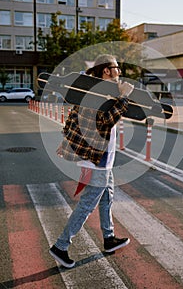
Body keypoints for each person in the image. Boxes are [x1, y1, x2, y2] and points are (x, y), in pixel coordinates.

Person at [49, 54, 134, 268]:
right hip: (97, 160)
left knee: (107, 198)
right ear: (107, 70)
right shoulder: (97, 92)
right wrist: (123, 98)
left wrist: (66, 141)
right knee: (88, 204)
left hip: (104, 159)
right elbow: (105, 122)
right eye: (116, 67)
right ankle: (61, 246)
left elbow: (84, 118)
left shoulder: (98, 90)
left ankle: (108, 238)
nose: (119, 71)